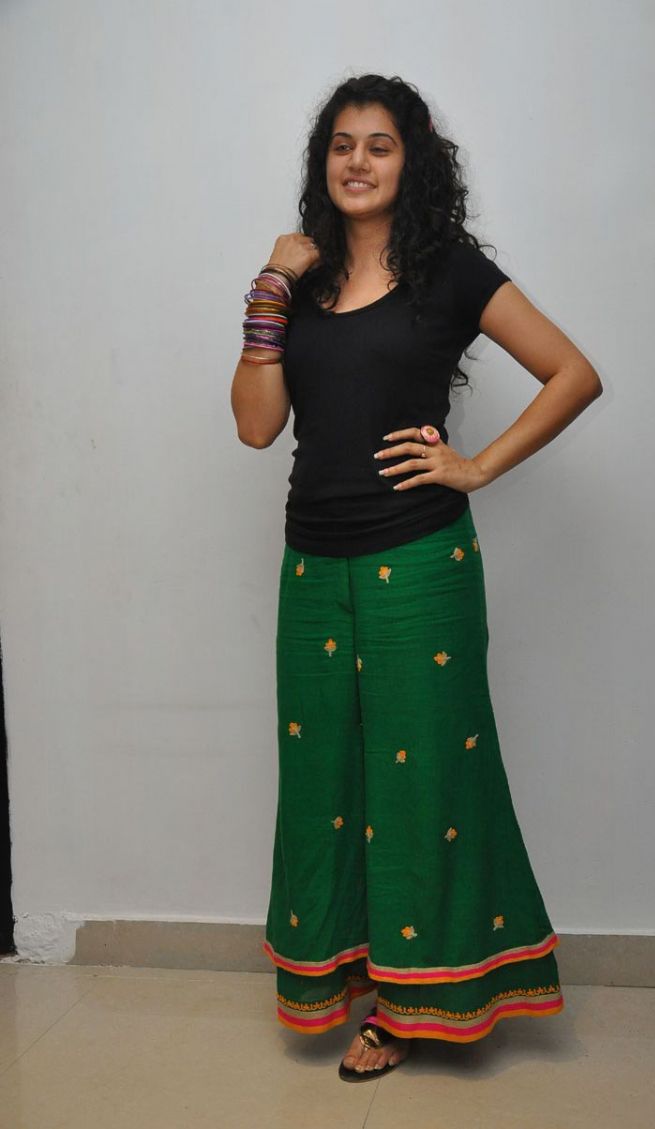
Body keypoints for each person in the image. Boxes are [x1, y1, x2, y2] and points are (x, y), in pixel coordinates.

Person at [230, 73, 602, 1082]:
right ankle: (348, 975)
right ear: (324, 161)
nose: (357, 161)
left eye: (379, 145)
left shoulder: (450, 271)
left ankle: (415, 1003)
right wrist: (268, 287)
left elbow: (573, 373)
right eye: (341, 145)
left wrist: (477, 466)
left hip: (421, 563)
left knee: (423, 779)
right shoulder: (301, 283)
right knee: (324, 779)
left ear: (413, 159)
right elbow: (257, 427)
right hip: (313, 567)